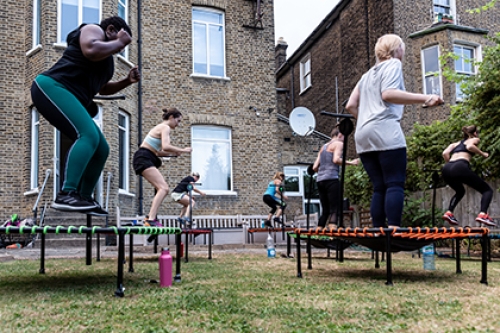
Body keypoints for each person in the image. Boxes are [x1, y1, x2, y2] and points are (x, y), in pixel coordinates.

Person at [30, 16, 140, 215]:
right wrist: (120, 42)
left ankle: (84, 197)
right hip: (52, 86)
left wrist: (127, 81)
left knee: (101, 148)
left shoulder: (106, 62)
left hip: (67, 93)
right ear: (111, 29)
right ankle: (66, 193)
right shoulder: (93, 30)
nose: (121, 49)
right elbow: (90, 49)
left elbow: (103, 88)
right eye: (122, 42)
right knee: (88, 135)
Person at [345, 34, 443, 228]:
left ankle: (377, 230)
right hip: (385, 130)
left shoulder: (366, 76)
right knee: (394, 183)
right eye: (403, 48)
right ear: (397, 50)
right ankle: (393, 230)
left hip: (363, 134)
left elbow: (350, 105)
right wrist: (426, 98)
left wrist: (367, 119)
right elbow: (388, 94)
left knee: (379, 186)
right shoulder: (393, 64)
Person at [133, 108, 192, 227]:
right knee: (164, 188)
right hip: (144, 157)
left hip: (146, 156)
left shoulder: (160, 128)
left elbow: (158, 152)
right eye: (178, 121)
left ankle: (151, 218)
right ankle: (150, 219)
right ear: (171, 118)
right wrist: (183, 150)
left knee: (159, 188)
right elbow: (166, 146)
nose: (178, 124)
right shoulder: (165, 127)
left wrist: (174, 153)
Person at [441, 125, 495, 227]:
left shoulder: (456, 143)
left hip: (446, 168)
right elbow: (470, 147)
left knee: (460, 191)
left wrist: (451, 165)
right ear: (475, 133)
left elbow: (445, 153)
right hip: (460, 166)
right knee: (487, 190)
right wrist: (483, 154)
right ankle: (483, 214)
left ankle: (449, 212)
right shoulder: (475, 139)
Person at [312, 126, 359, 228]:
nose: (344, 140)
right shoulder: (338, 144)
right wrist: (351, 163)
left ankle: (319, 235)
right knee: (335, 209)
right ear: (340, 135)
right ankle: (333, 235)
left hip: (320, 180)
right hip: (331, 179)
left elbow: (315, 167)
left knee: (325, 210)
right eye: (344, 137)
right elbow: (336, 159)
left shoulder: (323, 147)